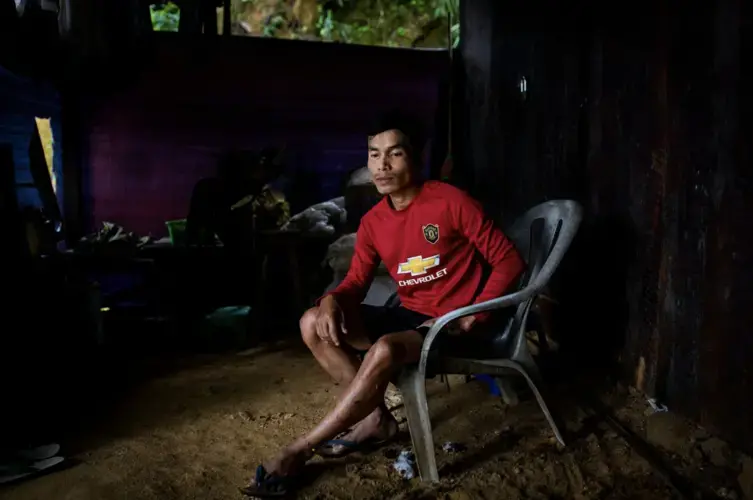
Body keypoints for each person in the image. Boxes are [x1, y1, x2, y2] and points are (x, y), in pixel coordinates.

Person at [244, 113, 525, 497]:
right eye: (374, 155)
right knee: (312, 322)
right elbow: (356, 281)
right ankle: (376, 418)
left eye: (394, 154)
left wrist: (479, 311)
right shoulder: (375, 220)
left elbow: (508, 259)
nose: (382, 166)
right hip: (409, 315)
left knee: (386, 348)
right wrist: (330, 301)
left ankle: (298, 450)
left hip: (453, 324)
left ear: (414, 158)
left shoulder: (449, 200)